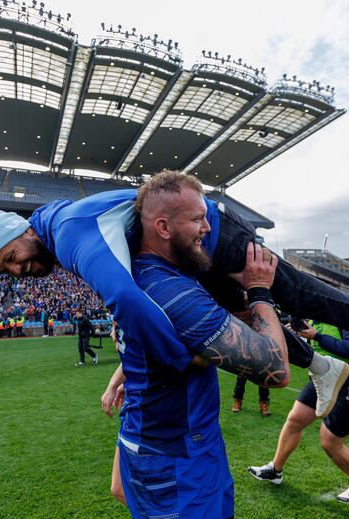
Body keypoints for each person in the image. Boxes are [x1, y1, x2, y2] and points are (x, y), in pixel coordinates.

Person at [0, 173, 349, 401]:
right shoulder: (55, 233)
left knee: (287, 290)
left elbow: (125, 300)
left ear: (19, 234)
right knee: (238, 322)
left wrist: (175, 355)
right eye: (6, 272)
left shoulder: (70, 232)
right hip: (183, 258)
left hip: (209, 232)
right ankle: (321, 367)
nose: (18, 271)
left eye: (11, 258)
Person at [104, 171, 295, 518]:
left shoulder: (139, 275)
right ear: (163, 227)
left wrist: (125, 374)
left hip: (161, 439)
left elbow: (151, 340)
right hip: (178, 455)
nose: (208, 228)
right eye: (197, 219)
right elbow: (276, 369)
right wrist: (260, 291)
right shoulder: (172, 291)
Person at [247, 325, 349, 504]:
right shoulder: (310, 316)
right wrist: (297, 336)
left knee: (330, 442)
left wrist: (317, 336)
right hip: (321, 378)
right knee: (295, 420)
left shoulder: (342, 315)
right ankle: (275, 470)